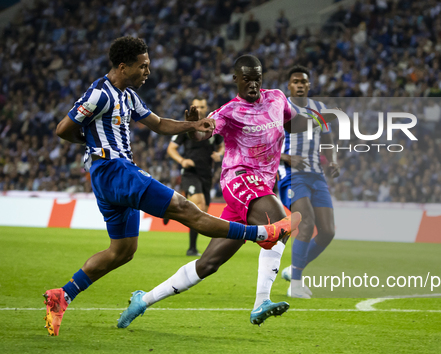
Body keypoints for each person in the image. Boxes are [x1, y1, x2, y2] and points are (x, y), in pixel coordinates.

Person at [43, 38, 298, 336]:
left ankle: (63, 295)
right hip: (114, 169)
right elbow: (63, 129)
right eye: (143, 66)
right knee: (185, 208)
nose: (148, 71)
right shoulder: (99, 95)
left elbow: (160, 124)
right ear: (123, 66)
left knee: (123, 251)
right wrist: (93, 144)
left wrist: (191, 126)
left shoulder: (129, 96)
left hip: (112, 177)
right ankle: (261, 234)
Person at [117, 55, 325, 328]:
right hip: (239, 180)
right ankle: (262, 301)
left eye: (257, 77)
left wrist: (317, 123)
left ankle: (143, 300)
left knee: (208, 264)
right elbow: (204, 133)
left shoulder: (276, 99)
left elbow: (290, 122)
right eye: (247, 78)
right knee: (279, 224)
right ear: (236, 79)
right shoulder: (228, 111)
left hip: (262, 185)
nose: (253, 84)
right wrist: (193, 128)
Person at [277, 65, 339, 298]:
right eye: (295, 81)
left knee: (328, 232)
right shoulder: (281, 109)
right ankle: (295, 284)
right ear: (289, 85)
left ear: (309, 85)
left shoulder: (319, 109)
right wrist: (286, 158)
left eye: (304, 81)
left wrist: (332, 160)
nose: (300, 85)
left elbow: (328, 138)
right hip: (291, 175)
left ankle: (294, 268)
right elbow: (266, 142)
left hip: (316, 175)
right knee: (306, 223)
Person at [166, 97, 224, 257]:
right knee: (199, 205)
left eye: (202, 106)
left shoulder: (212, 127)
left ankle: (170, 211)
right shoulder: (186, 127)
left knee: (202, 210)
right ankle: (191, 249)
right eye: (196, 106)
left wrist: (219, 154)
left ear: (207, 108)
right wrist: (182, 160)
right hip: (191, 173)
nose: (199, 109)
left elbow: (222, 145)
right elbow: (171, 149)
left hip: (207, 175)